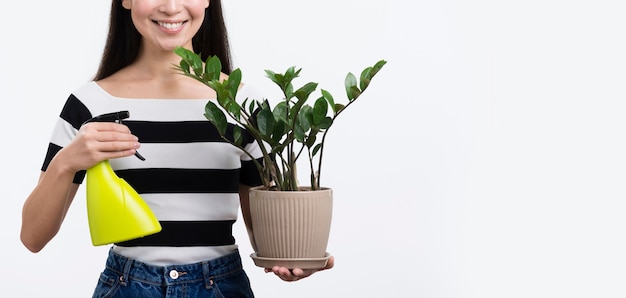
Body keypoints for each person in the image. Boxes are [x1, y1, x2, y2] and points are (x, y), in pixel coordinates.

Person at [19, 0, 333, 296]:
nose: (171, 7)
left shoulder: (243, 105)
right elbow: (33, 237)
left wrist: (294, 260)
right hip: (127, 287)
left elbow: (270, 239)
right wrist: (66, 162)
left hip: (220, 286)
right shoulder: (89, 103)